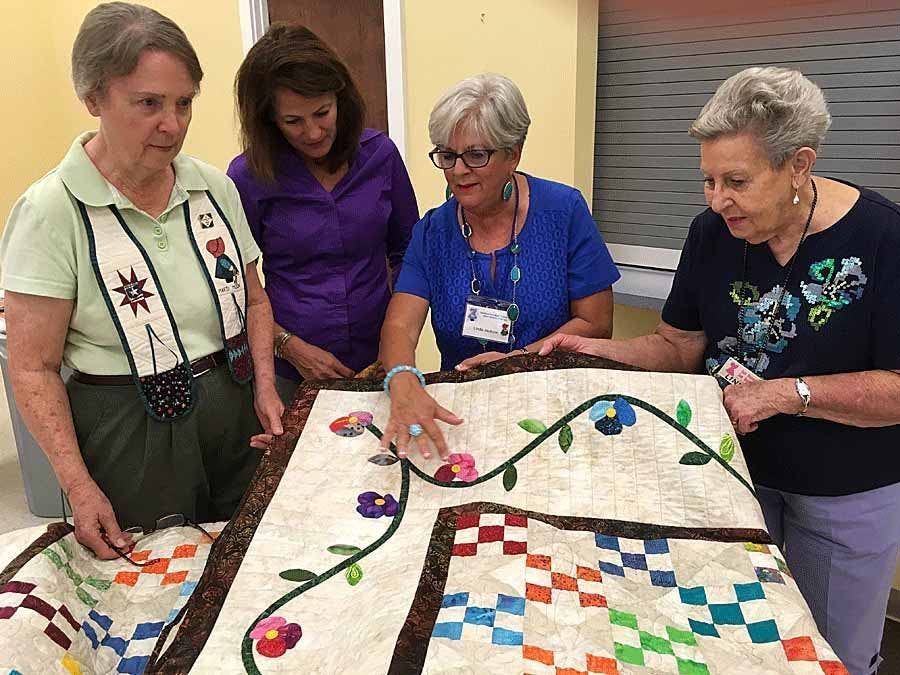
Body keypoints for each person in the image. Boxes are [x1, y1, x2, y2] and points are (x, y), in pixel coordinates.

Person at [541, 66, 900, 675]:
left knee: (831, 655)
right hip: (731, 480)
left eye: (736, 181)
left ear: (799, 165)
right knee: (737, 646)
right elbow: (679, 346)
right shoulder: (712, 234)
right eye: (707, 180)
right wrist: (602, 352)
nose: (717, 199)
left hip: (845, 493)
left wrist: (785, 395)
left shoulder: (884, 238)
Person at [0, 2, 283, 559]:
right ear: (93, 98)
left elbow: (253, 298)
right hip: (130, 433)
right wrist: (79, 488)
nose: (172, 124)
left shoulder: (211, 189)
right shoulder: (52, 211)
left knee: (249, 560)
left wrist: (267, 387)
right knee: (153, 586)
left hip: (235, 410)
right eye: (148, 103)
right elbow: (32, 367)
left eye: (184, 104)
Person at [378, 74, 619, 460]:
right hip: (464, 419)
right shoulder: (432, 232)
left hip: (553, 410)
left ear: (514, 153)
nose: (458, 171)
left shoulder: (563, 212)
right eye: (447, 154)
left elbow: (595, 324)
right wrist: (403, 378)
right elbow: (399, 325)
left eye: (476, 155)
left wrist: (515, 362)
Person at [228, 24, 419, 404]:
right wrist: (288, 346)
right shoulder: (247, 178)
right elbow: (235, 291)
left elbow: (410, 256)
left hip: (379, 361)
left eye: (322, 112)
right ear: (269, 121)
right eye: (293, 121)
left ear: (340, 99)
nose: (313, 133)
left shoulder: (380, 156)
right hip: (291, 371)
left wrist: (396, 341)